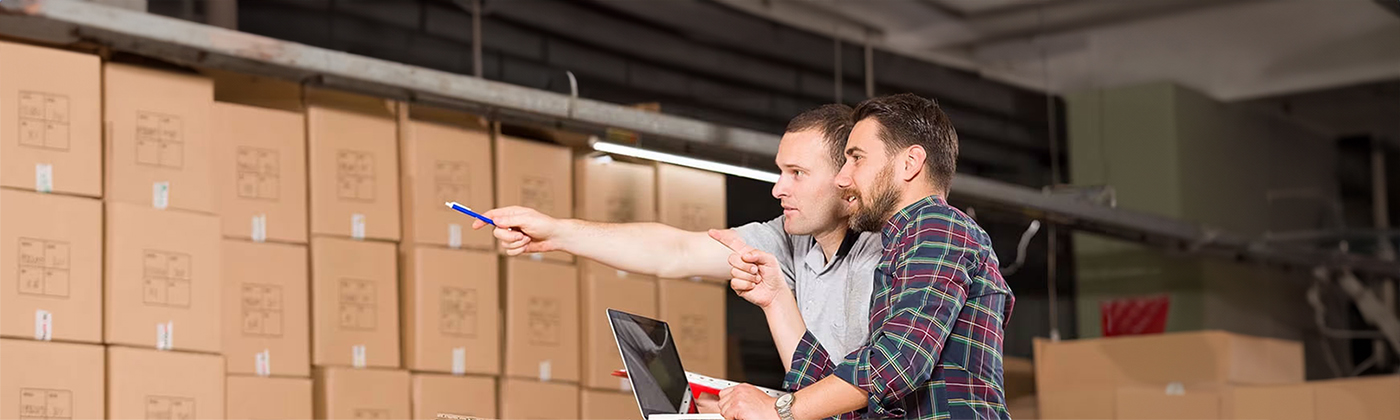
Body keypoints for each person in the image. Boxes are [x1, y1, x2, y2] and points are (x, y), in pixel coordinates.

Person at [471, 104, 881, 366]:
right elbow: (676, 251)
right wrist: (558, 233)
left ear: (847, 178)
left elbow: (867, 390)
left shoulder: (884, 258)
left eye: (797, 174)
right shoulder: (793, 242)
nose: (777, 188)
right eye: (779, 171)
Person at [715, 94, 1015, 420]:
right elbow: (851, 402)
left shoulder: (937, 226)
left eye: (856, 158)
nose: (843, 178)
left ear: (910, 163)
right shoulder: (900, 246)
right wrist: (776, 300)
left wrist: (777, 411)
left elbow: (897, 363)